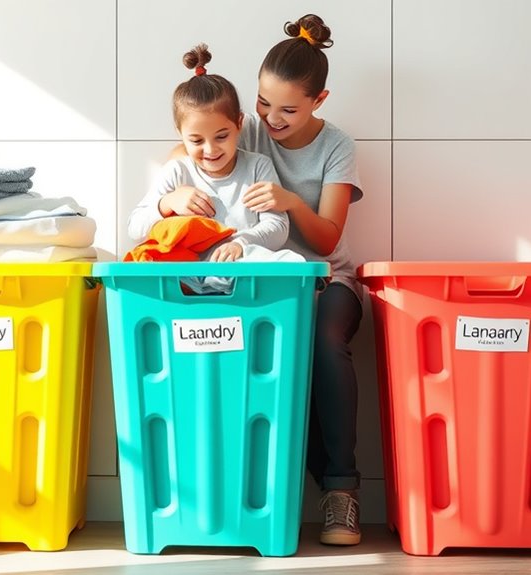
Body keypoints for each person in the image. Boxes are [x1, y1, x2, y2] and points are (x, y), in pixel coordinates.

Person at [167, 14, 364, 546]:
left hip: (326, 281)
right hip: (259, 283)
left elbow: (327, 240)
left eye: (288, 110)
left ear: (319, 101)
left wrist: (291, 202)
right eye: (262, 103)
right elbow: (185, 155)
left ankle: (341, 491)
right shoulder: (246, 129)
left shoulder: (337, 147)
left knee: (323, 342)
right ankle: (243, 489)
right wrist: (172, 196)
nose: (272, 119)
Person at [129, 44, 289, 263]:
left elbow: (278, 226)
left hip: (243, 271)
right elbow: (135, 228)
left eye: (221, 137)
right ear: (180, 133)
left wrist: (241, 243)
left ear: (239, 123)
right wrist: (167, 203)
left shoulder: (257, 167)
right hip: (189, 276)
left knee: (290, 260)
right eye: (196, 140)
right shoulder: (177, 172)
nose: (211, 150)